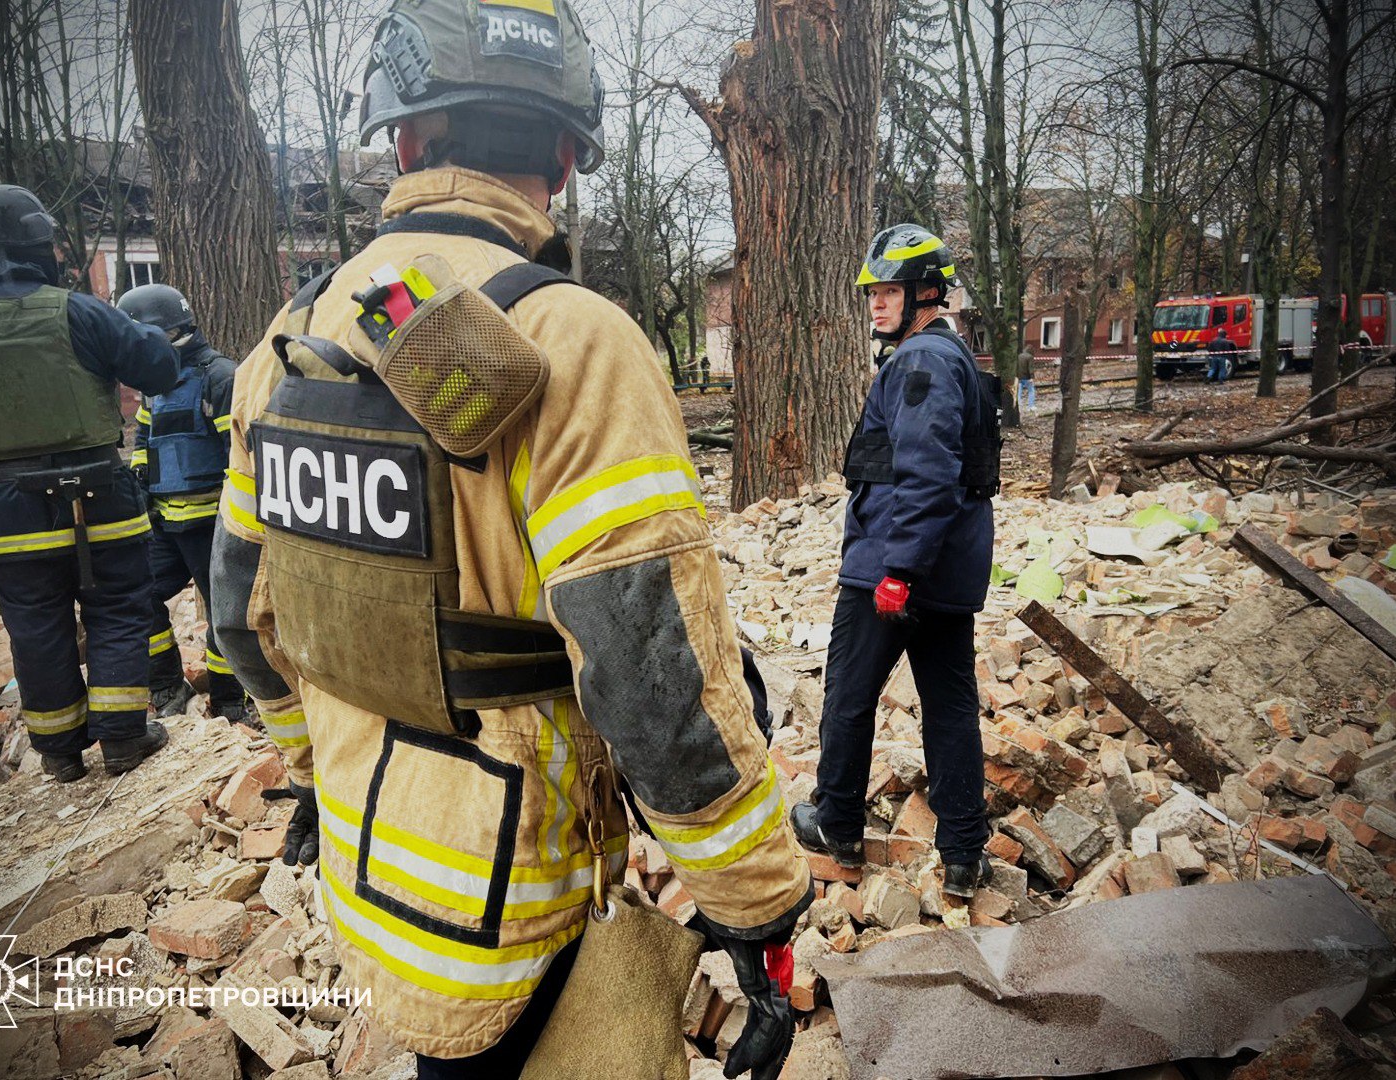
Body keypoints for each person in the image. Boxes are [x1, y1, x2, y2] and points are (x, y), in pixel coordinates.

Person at [209, 2, 811, 1076]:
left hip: (367, 870)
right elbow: (651, 677)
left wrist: (309, 767)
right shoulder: (578, 340)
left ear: (401, 140)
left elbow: (241, 616)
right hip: (517, 906)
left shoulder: (288, 341)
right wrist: (757, 907)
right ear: (567, 159)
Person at [0, 184, 179, 783]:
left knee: (35, 624)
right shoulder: (76, 309)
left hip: (9, 505)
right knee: (120, 610)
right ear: (38, 242)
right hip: (102, 496)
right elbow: (158, 367)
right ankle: (124, 739)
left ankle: (60, 754)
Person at [790, 223, 1000, 899]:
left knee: (848, 696)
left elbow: (927, 471)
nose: (875, 304)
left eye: (887, 292)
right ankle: (964, 855)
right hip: (945, 567)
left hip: (894, 568)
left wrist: (897, 572)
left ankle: (838, 822)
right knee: (949, 706)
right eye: (872, 292)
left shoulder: (920, 364)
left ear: (926, 293)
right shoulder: (947, 356)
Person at [117, 284, 246, 722]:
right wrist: (138, 481)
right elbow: (143, 442)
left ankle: (231, 701)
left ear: (165, 334)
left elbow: (243, 456)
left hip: (215, 526)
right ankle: (168, 684)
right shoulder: (156, 386)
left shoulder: (220, 378)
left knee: (226, 616)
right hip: (165, 525)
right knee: (136, 596)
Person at [1017, 347, 1036, 412]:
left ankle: (1018, 406)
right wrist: (1032, 377)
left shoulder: (1019, 356)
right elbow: (1030, 368)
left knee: (1019, 392)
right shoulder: (1030, 357)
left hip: (1019, 377)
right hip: (1027, 378)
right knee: (1031, 391)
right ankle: (1031, 406)